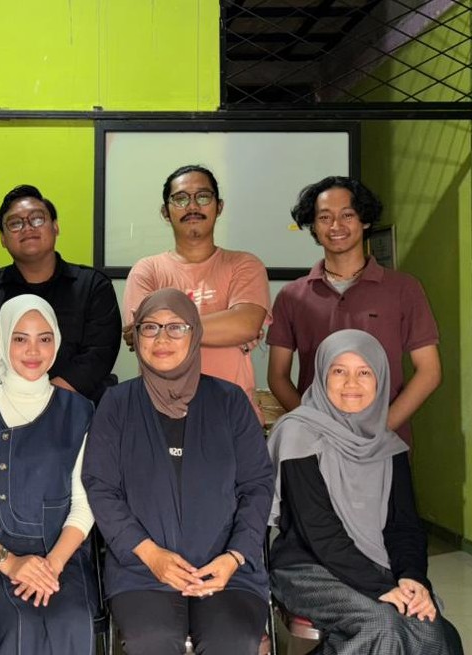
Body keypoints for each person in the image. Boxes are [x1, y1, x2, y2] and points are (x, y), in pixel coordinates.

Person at [83, 288, 274, 655]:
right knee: (151, 640)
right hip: (142, 569)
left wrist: (234, 556)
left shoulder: (231, 401)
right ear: (136, 337)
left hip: (228, 568)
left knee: (231, 641)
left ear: (195, 334)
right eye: (150, 327)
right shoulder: (116, 404)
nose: (162, 339)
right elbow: (101, 487)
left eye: (176, 327)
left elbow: (257, 485)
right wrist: (150, 554)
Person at [267, 329, 462, 654]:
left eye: (364, 373)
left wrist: (413, 579)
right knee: (382, 625)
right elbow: (318, 530)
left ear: (380, 380)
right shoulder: (298, 434)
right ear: (322, 375)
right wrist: (380, 587)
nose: (351, 383)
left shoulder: (388, 446)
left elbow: (404, 527)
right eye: (339, 371)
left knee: (433, 632)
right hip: (307, 569)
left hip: (376, 564)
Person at [0, 294, 98, 655]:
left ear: (57, 343)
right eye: (20, 338)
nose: (33, 350)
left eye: (44, 338)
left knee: (72, 620)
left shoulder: (81, 412)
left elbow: (85, 504)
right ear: (2, 341)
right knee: (21, 623)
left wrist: (52, 565)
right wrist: (11, 563)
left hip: (62, 559)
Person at [267, 177, 440, 446]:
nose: (336, 225)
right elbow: (278, 376)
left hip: (385, 443)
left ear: (365, 220)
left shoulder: (404, 289)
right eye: (325, 217)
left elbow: (429, 371)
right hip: (315, 444)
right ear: (314, 226)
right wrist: (316, 426)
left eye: (347, 215)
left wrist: (381, 429)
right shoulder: (292, 296)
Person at [122, 165, 270, 420]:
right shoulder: (147, 270)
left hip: (232, 415)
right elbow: (144, 335)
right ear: (165, 211)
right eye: (180, 198)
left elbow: (245, 324)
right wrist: (225, 327)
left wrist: (166, 328)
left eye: (203, 197)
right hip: (161, 414)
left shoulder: (244, 265)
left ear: (219, 206)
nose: (192, 206)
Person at [0, 184, 120, 404]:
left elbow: (99, 354)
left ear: (55, 227)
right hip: (4, 411)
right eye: (15, 223)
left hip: (79, 409)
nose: (27, 228)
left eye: (37, 219)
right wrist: (16, 402)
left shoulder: (93, 286)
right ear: (3, 238)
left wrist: (47, 401)